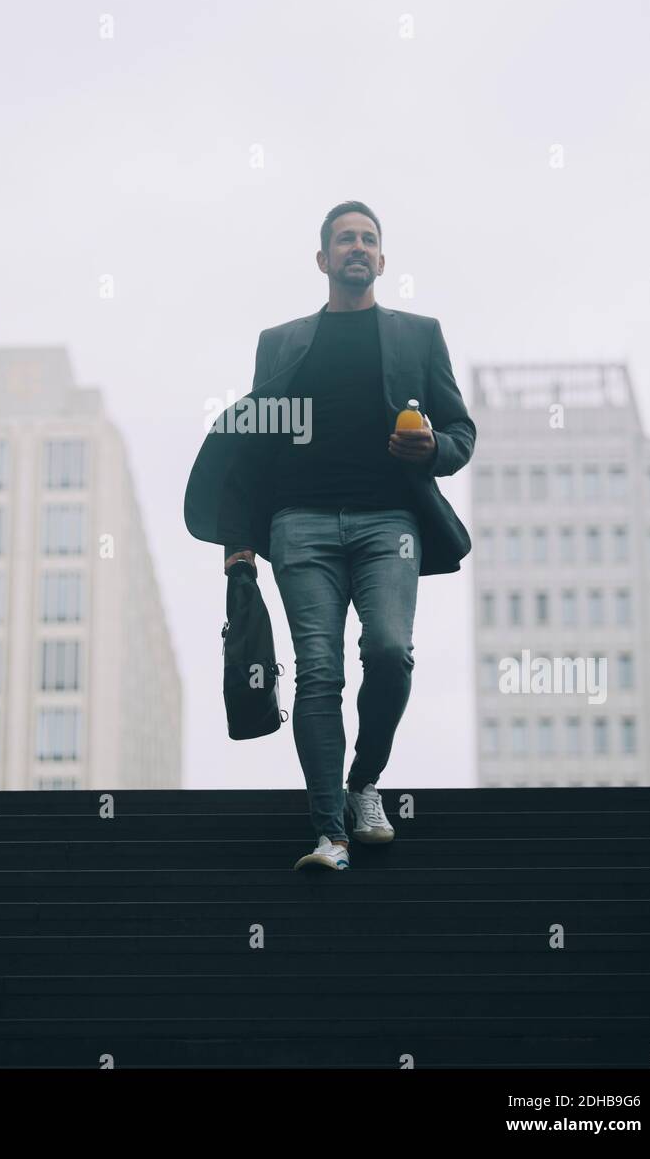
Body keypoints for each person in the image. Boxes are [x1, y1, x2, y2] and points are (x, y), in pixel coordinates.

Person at [185, 200, 476, 871]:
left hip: (390, 524)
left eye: (368, 239)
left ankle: (364, 783)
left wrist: (432, 448)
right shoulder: (281, 343)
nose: (357, 247)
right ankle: (330, 835)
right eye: (345, 239)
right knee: (320, 673)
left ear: (381, 258)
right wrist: (237, 549)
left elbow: (462, 434)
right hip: (298, 526)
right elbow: (253, 448)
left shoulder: (418, 335)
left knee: (391, 650)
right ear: (323, 259)